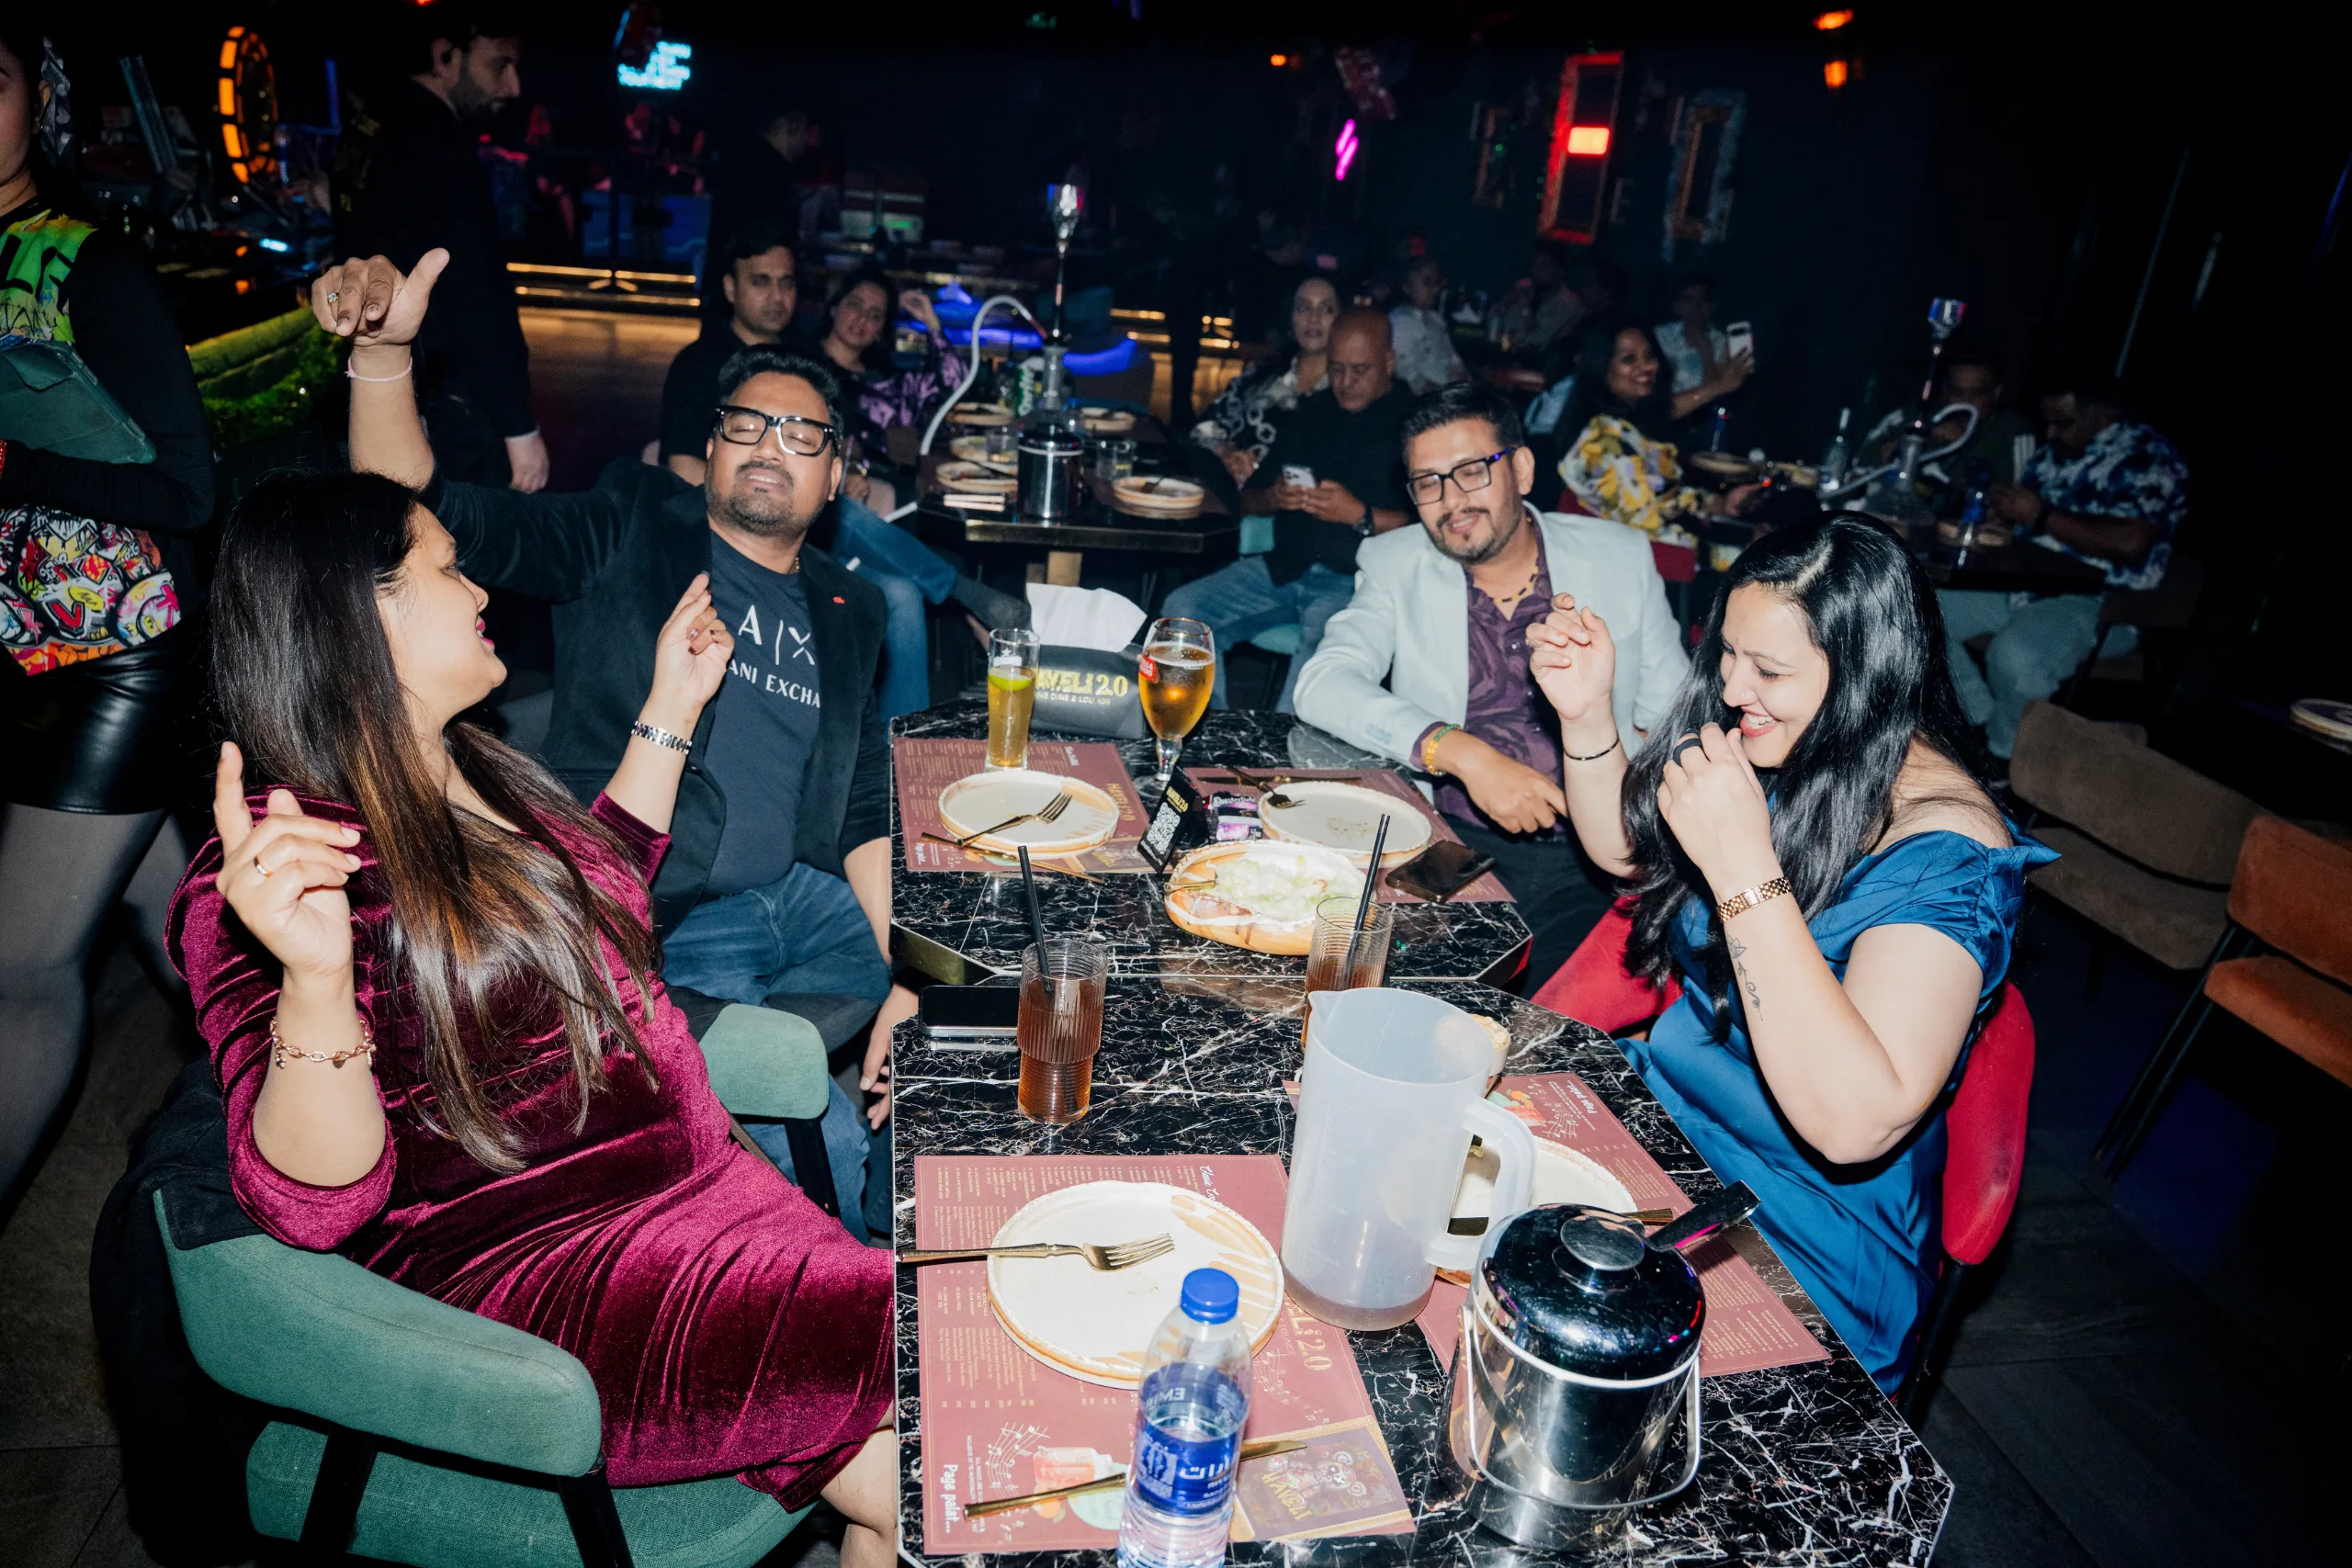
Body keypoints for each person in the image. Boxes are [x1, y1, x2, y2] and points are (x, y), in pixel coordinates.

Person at [173, 469, 896, 1560]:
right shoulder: (286, 868)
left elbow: (595, 897)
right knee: (957, 1352)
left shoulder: (462, 765)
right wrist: (317, 980)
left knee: (927, 1485)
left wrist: (670, 706)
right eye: (447, 566)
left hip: (706, 1195)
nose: (481, 591)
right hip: (557, 1271)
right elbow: (312, 1207)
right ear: (362, 612)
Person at [314, 248, 914, 1241]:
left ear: (837, 475)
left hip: (807, 900)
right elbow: (414, 499)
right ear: (709, 451)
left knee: (975, 1003)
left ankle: (830, 1158)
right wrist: (385, 354)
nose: (771, 443)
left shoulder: (848, 607)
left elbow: (854, 808)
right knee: (836, 1151)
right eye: (746, 424)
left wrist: (908, 973)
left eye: (803, 433)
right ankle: (845, 1261)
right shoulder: (630, 525)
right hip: (677, 905)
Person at [1527, 513, 2053, 1390]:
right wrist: (1588, 715)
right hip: (1666, 1126)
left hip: (1801, 1228)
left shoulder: (1947, 853)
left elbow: (1853, 1124)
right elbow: (1631, 854)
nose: (1734, 687)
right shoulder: (1801, 742)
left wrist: (1741, 864)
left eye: (1770, 669)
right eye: (1728, 653)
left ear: (1871, 675)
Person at [0, 28, 211, 1218]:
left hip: (114, 650)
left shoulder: (90, 265)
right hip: (23, 647)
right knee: (166, 912)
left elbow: (187, 491)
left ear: (45, 98)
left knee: (20, 966)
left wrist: (9, 459)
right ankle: (333, 1093)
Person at [1293, 383, 1687, 988]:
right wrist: (1464, 754)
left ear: (1521, 469)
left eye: (1472, 471)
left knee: (1548, 1029)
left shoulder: (1619, 558)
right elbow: (1322, 682)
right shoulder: (1396, 563)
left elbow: (1677, 719)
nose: (1452, 501)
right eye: (1429, 482)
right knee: (1384, 994)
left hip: (1588, 859)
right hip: (1448, 844)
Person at [657, 230, 1020, 716]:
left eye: (786, 283)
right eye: (760, 282)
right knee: (849, 518)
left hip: (808, 532)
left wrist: (844, 470)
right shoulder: (699, 364)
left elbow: (837, 448)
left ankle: (901, 747)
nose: (777, 296)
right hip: (738, 527)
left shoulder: (802, 364)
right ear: (729, 288)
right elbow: (681, 469)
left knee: (900, 595)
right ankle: (961, 591)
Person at [332, 2, 540, 491]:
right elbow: (475, 289)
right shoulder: (438, 143)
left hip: (382, 380)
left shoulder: (371, 122)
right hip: (448, 397)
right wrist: (517, 423)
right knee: (468, 545)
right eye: (500, 65)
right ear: (446, 56)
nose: (512, 87)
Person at [1162, 309, 1414, 711]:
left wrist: (1359, 515)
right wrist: (1274, 497)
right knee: (1182, 617)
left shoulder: (1414, 426)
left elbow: (1430, 529)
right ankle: (1212, 742)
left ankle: (1278, 768)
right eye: (1336, 369)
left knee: (1309, 683)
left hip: (1355, 583)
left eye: (1360, 370)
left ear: (1389, 363)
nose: (1345, 383)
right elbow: (1249, 502)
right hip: (1283, 567)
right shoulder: (1311, 412)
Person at [1938, 369, 2188, 766]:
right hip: (2023, 586)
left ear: (2100, 415)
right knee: (1917, 607)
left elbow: (2132, 543)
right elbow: (2032, 523)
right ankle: (1979, 721)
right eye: (2048, 422)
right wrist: (2004, 520)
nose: (2051, 433)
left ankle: (2004, 764)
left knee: (2017, 657)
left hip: (2102, 602)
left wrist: (2039, 516)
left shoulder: (2149, 459)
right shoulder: (2053, 454)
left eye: (2063, 422)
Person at [1552, 323, 1757, 540]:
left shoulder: (1627, 425)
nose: (1646, 366)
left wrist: (1721, 505)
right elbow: (1649, 542)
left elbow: (1663, 497)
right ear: (1600, 367)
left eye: (1648, 356)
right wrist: (1742, 552)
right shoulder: (1605, 442)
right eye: (1629, 359)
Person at [1189, 274, 1339, 487]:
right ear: (1291, 316)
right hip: (1230, 495)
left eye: (1326, 309)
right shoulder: (1263, 375)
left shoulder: (1347, 389)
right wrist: (1227, 452)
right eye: (1304, 308)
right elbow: (1203, 428)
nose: (1313, 318)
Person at [1862, 344, 2036, 508]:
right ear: (1945, 390)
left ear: (1996, 393)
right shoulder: (1909, 417)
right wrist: (1928, 433)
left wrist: (1963, 450)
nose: (1966, 403)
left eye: (1977, 394)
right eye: (1957, 393)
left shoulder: (2014, 433)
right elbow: (1861, 467)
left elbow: (2013, 504)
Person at [815, 265, 964, 435]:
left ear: (880, 331)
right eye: (855, 306)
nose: (862, 318)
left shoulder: (890, 384)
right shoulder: (802, 365)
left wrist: (932, 323)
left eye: (875, 315)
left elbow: (956, 388)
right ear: (835, 307)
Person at [1653, 275, 1747, 397]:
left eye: (1702, 300)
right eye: (1689, 300)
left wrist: (1707, 355)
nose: (1696, 306)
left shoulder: (1722, 344)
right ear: (1677, 306)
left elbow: (1716, 391)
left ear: (1712, 306)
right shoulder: (1660, 334)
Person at [1388, 256, 1467, 395]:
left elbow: (1452, 355)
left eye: (1437, 283)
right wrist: (1426, 386)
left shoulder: (1435, 319)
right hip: (1420, 400)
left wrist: (1460, 373)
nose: (1435, 289)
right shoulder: (1400, 321)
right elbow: (1400, 365)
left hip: (1447, 395)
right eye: (1428, 283)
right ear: (1407, 287)